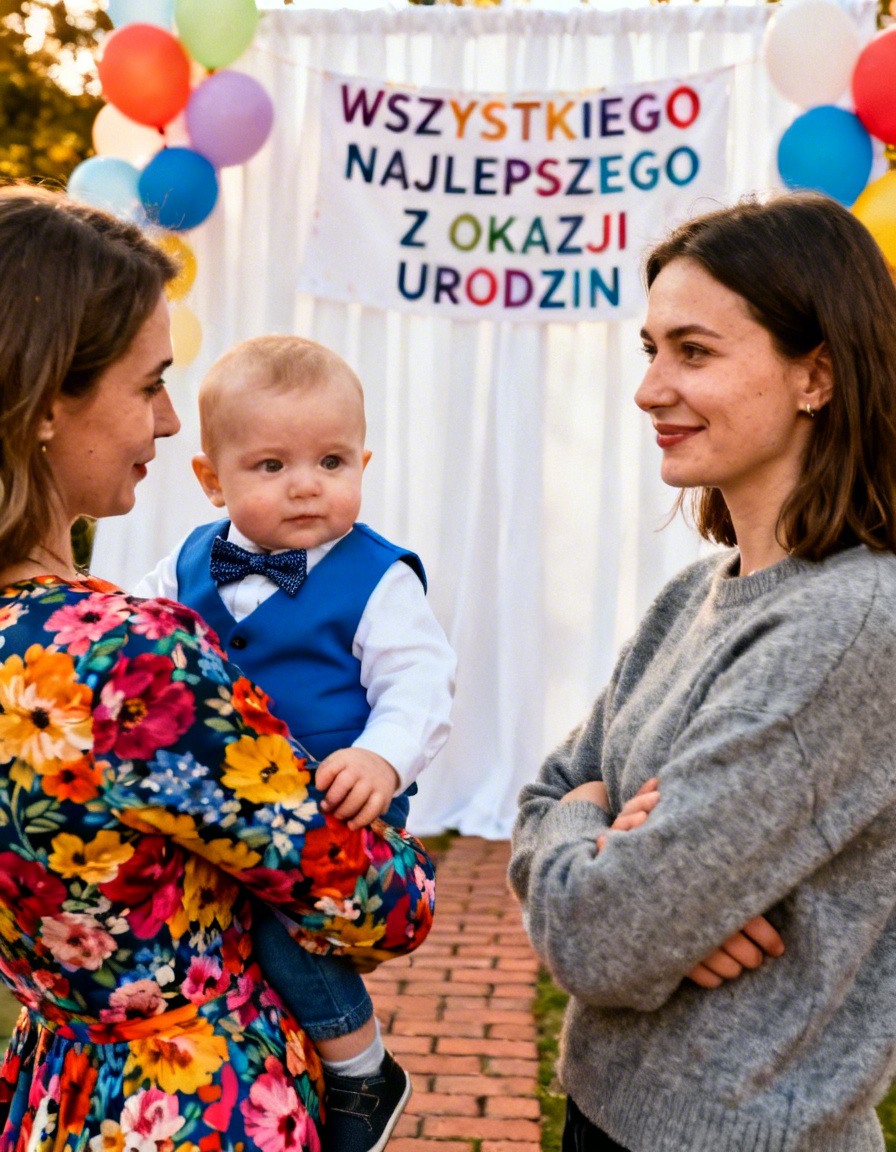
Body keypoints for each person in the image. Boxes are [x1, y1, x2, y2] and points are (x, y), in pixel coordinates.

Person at [0, 183, 436, 1152]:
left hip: (54, 1087)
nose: (166, 421)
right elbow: (377, 905)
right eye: (148, 384)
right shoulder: (124, 654)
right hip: (192, 1104)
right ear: (48, 402)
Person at [509, 191, 896, 1152]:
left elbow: (604, 940)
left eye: (694, 351)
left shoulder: (848, 626)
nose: (650, 388)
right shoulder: (697, 595)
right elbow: (546, 793)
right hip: (609, 1111)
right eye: (651, 349)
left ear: (817, 375)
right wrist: (595, 830)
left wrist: (617, 869)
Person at [135, 334, 456, 1151]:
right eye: (272, 466)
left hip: (338, 801)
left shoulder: (377, 576)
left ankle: (362, 1066)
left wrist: (382, 757)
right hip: (228, 805)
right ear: (213, 479)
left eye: (332, 461)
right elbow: (137, 639)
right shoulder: (186, 562)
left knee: (287, 927)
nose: (307, 484)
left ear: (363, 463)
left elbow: (420, 683)